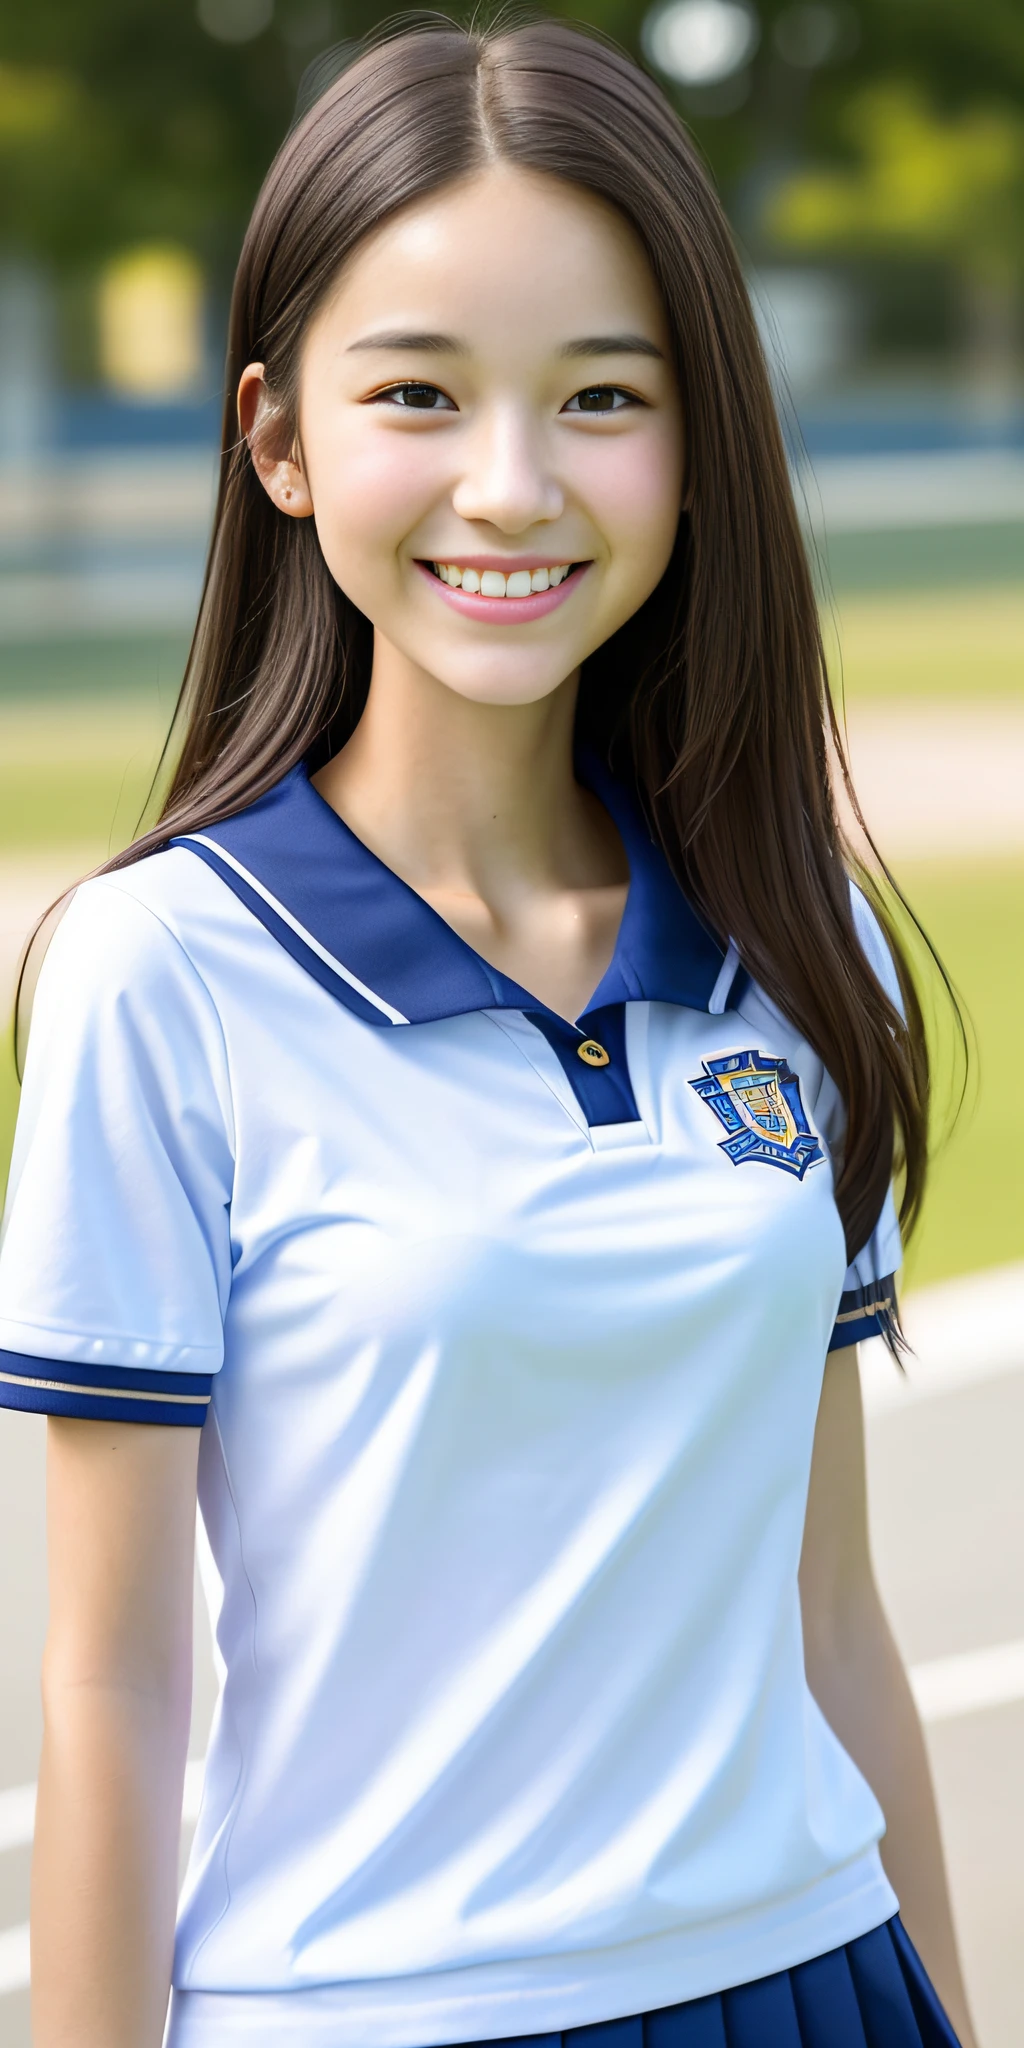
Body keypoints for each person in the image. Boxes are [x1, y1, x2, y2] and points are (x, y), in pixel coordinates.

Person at [0, 20, 976, 2047]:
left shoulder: (802, 950)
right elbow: (109, 1681)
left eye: (600, 399)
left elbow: (829, 1612)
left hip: (811, 1985)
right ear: (277, 438)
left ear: (695, 440)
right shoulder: (159, 976)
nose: (510, 484)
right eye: (418, 395)